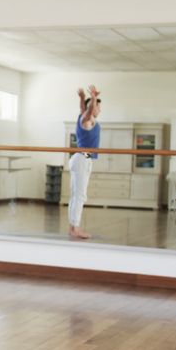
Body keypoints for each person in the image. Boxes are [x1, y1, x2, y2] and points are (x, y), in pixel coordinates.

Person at [67, 85, 101, 240]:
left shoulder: (85, 118)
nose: (99, 110)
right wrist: (92, 98)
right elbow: (86, 110)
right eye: (97, 107)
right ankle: (76, 228)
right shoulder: (86, 120)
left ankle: (72, 227)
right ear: (91, 107)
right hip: (82, 159)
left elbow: (83, 109)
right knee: (79, 196)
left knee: (76, 195)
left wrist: (82, 98)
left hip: (81, 159)